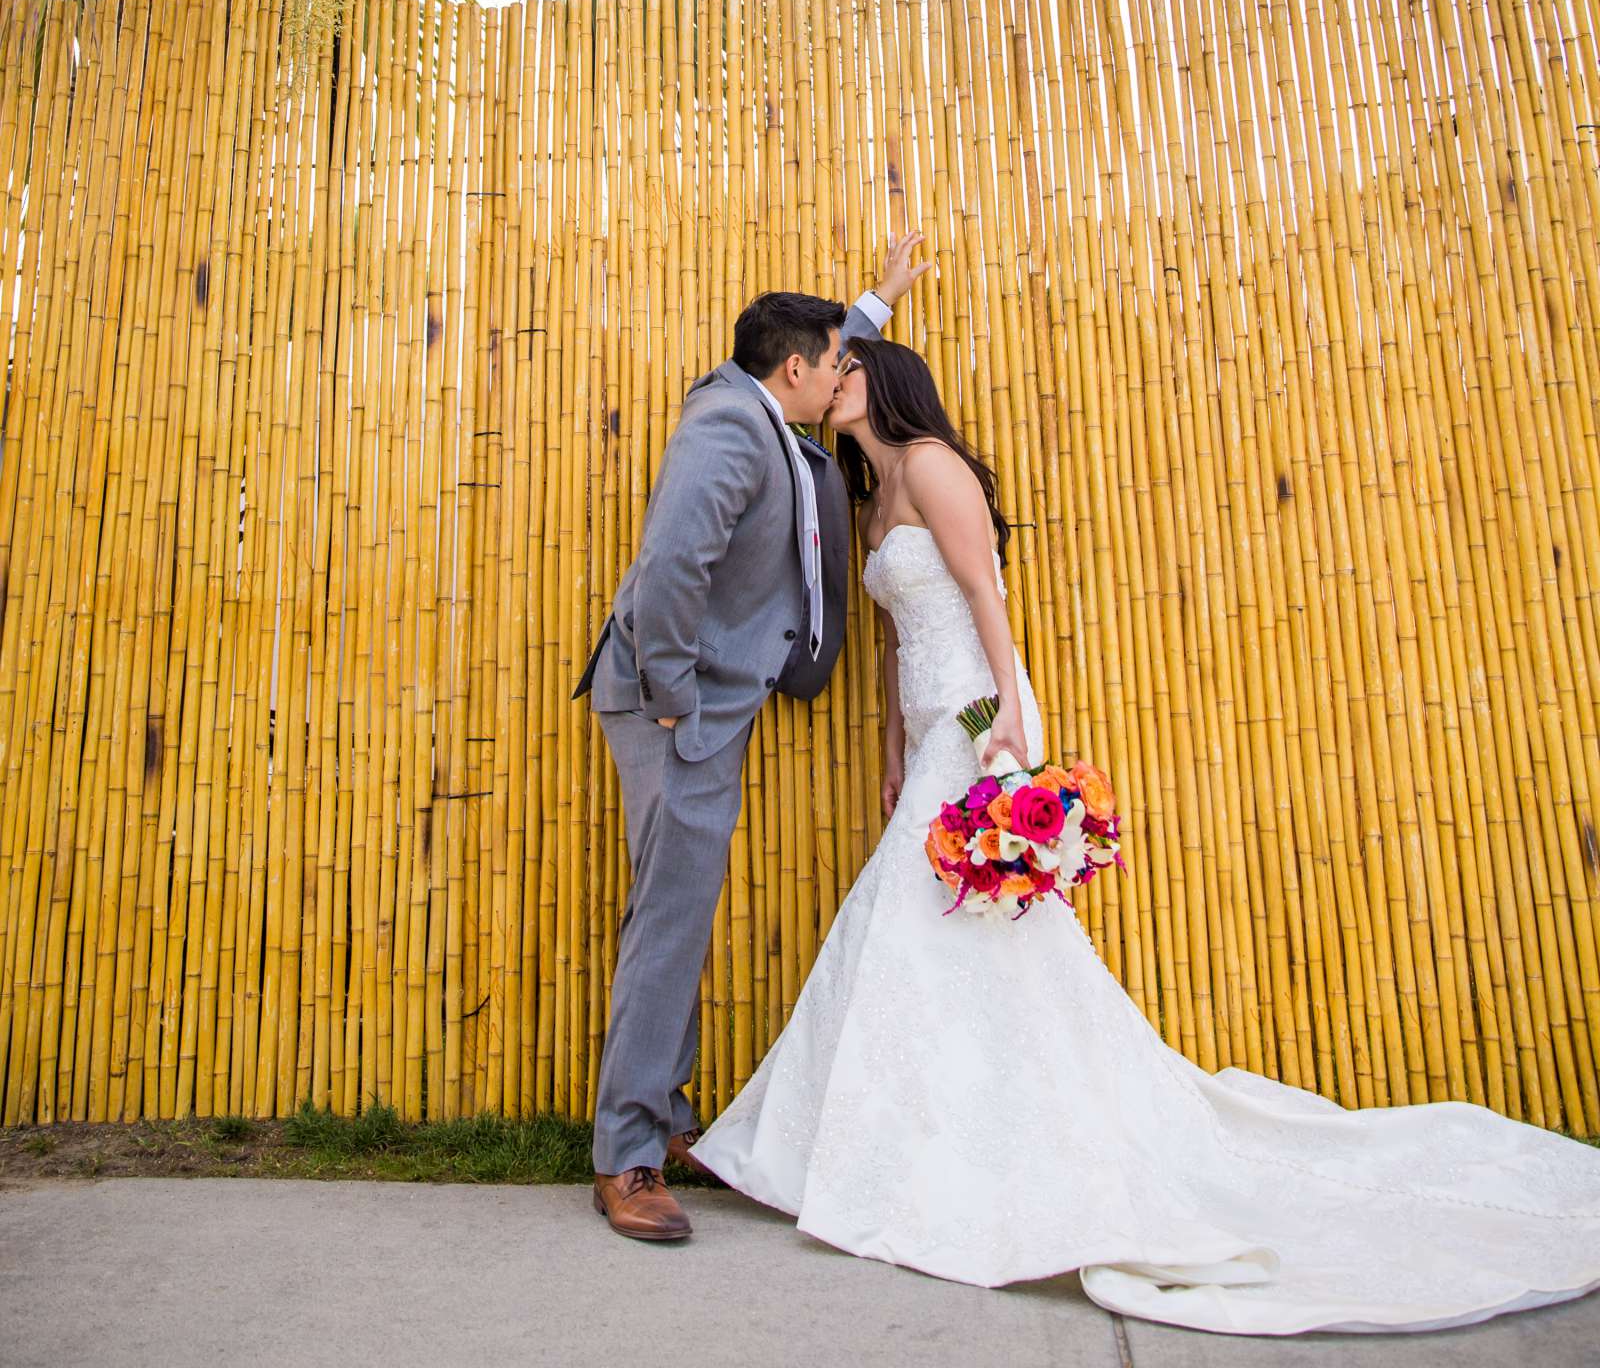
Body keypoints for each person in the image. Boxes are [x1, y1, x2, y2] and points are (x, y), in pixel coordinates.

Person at [691, 338, 1600, 1335]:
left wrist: (1006, 723)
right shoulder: (870, 494)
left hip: (976, 716)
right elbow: (894, 638)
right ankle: (934, 1133)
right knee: (948, 928)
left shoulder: (930, 466)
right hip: (924, 723)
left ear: (887, 384)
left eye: (850, 366)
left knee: (949, 919)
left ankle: (943, 1146)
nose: (834, 379)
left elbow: (984, 590)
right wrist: (893, 750)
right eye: (830, 365)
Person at [574, 234, 929, 1241]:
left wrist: (874, 302)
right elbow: (674, 560)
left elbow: (829, 351)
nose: (842, 375)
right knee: (668, 923)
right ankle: (628, 1154)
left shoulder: (761, 398)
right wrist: (674, 694)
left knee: (674, 914)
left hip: (697, 705)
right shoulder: (729, 429)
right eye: (834, 362)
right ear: (795, 370)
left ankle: (662, 1117)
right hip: (674, 709)